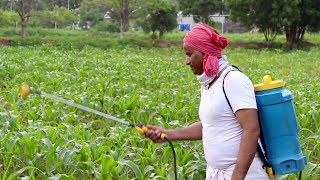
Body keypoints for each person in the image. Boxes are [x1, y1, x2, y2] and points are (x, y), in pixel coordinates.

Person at [144, 24, 270, 180]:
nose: (187, 61)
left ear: (204, 53)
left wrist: (237, 177)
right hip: (218, 173)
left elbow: (251, 129)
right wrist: (168, 134)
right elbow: (210, 126)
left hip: (246, 175)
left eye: (190, 55)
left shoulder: (233, 80)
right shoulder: (209, 84)